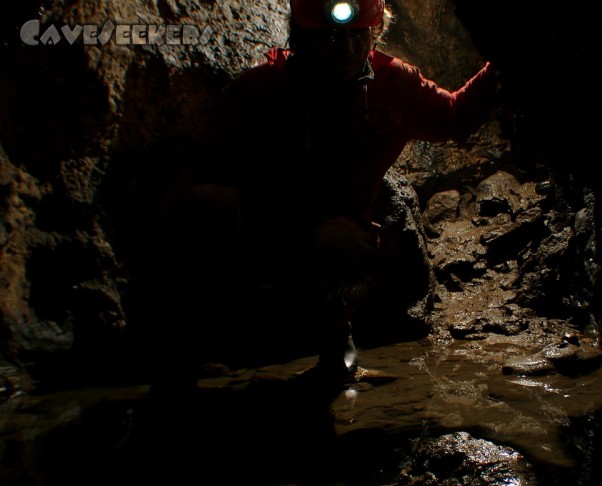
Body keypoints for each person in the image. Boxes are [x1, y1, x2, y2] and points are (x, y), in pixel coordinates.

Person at [147, 0, 499, 392]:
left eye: (357, 35)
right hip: (260, 228)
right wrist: (168, 232)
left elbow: (453, 115)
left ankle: (334, 338)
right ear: (304, 37)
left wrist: (503, 64)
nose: (346, 50)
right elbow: (202, 162)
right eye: (331, 37)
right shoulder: (264, 86)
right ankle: (194, 342)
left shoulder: (392, 85)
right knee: (206, 208)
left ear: (375, 31)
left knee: (342, 244)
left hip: (332, 237)